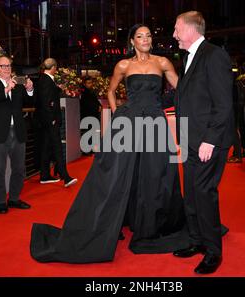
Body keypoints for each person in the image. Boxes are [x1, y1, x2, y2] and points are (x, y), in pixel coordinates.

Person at [30, 24, 190, 263]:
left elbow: (182, 89)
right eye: (140, 36)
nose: (145, 39)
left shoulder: (162, 62)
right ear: (132, 41)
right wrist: (118, 114)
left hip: (155, 123)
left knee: (157, 173)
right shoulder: (123, 65)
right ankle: (115, 218)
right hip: (129, 123)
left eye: (148, 35)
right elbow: (112, 90)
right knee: (115, 174)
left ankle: (153, 220)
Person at [171, 11, 234, 274]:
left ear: (190, 29)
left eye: (176, 29)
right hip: (190, 140)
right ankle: (196, 241)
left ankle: (212, 252)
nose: (174, 34)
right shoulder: (188, 58)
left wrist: (210, 139)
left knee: (204, 195)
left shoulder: (214, 54)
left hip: (208, 141)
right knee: (192, 196)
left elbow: (223, 105)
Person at [0, 56, 33, 214]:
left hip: (17, 130)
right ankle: (0, 201)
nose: (7, 68)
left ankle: (14, 198)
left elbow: (30, 102)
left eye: (9, 65)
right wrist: (7, 89)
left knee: (19, 168)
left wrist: (30, 89)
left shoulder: (18, 84)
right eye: (3, 66)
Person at [35, 58, 78, 187]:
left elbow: (48, 96)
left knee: (47, 148)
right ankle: (65, 177)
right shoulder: (46, 80)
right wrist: (51, 119)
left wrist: (58, 89)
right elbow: (45, 101)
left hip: (47, 120)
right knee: (57, 148)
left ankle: (45, 175)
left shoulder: (45, 79)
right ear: (53, 67)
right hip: (50, 120)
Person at [79, 76, 102, 154]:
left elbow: (96, 102)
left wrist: (99, 106)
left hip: (93, 115)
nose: (90, 84)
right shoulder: (83, 93)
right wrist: (97, 107)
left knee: (93, 133)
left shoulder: (91, 92)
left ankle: (91, 149)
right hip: (87, 116)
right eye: (88, 83)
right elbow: (87, 104)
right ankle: (86, 151)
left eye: (91, 83)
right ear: (84, 84)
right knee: (87, 133)